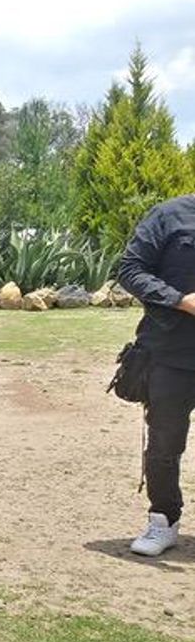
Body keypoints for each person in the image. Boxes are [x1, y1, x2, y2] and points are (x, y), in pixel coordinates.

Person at [117, 192, 195, 556]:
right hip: (169, 355)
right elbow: (130, 269)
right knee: (164, 444)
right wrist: (182, 300)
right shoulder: (167, 216)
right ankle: (163, 521)